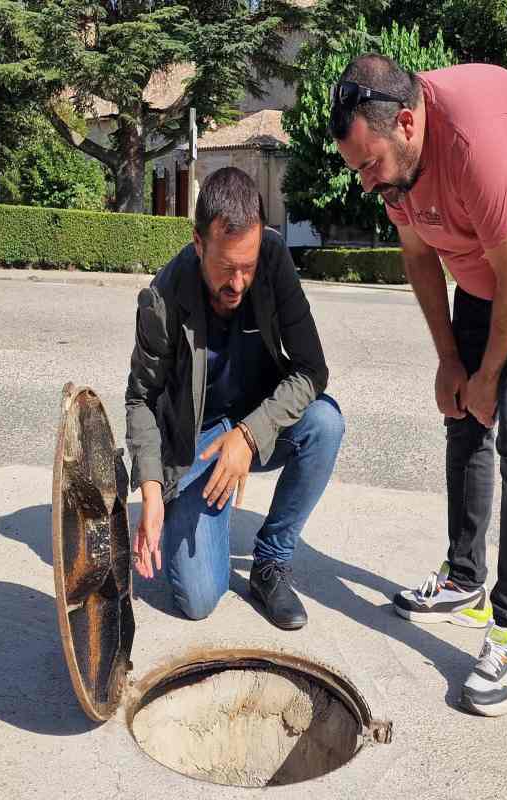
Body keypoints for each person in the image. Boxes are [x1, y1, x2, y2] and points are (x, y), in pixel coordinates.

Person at [330, 56, 507, 715]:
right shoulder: (395, 166)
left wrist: (487, 378)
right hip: (487, 272)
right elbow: (421, 258)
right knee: (462, 415)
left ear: (406, 121)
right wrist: (452, 364)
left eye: (369, 166)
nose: (367, 184)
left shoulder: (472, 141)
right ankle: (464, 578)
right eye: (357, 169)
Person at [124, 166, 344, 630]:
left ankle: (270, 561)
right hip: (197, 443)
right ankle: (204, 505)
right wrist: (150, 489)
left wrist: (249, 435)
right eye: (226, 268)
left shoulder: (275, 259)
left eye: (248, 266)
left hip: (256, 425)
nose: (239, 283)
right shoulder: (162, 298)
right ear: (199, 243)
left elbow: (312, 370)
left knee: (325, 424)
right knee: (199, 599)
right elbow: (140, 398)